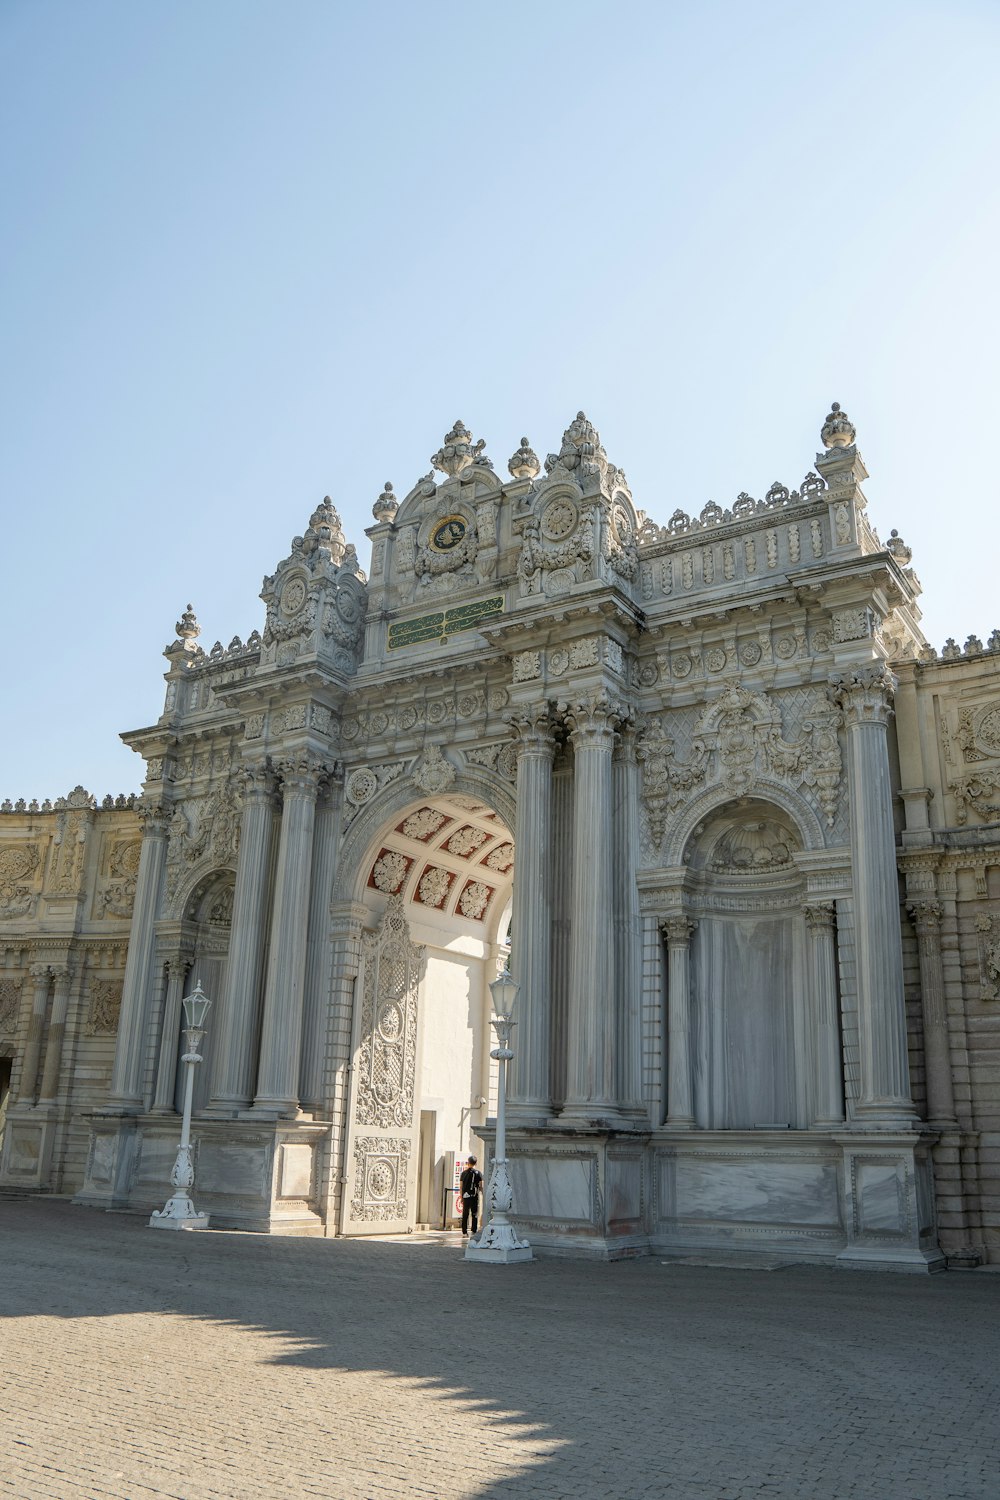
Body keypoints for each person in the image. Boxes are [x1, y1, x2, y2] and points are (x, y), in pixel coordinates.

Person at [459, 1155, 483, 1237]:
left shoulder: (463, 1173)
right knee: (474, 1214)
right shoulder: (478, 1173)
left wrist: (461, 1196)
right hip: (474, 1196)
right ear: (476, 1163)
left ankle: (464, 1232)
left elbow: (461, 1186)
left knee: (465, 1214)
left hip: (466, 1196)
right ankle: (473, 1230)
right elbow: (480, 1186)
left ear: (468, 1162)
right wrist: (482, 1193)